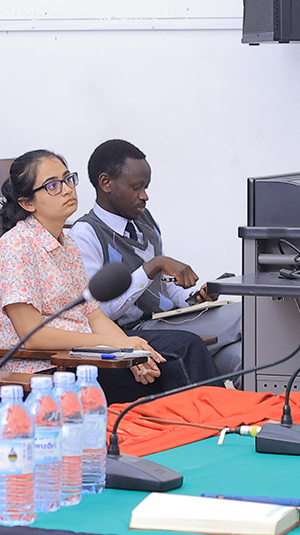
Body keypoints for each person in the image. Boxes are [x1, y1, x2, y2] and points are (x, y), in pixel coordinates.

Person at [0, 149, 177, 403]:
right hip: (42, 374)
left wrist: (131, 355)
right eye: (53, 185)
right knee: (175, 364)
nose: (67, 190)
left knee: (170, 357)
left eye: (67, 179)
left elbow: (94, 316)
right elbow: (32, 336)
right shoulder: (16, 247)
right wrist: (112, 345)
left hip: (84, 359)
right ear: (27, 203)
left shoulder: (68, 244)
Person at [68, 138, 242, 380]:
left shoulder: (144, 220)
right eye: (136, 187)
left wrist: (193, 300)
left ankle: (266, 404)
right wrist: (152, 267)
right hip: (134, 331)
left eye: (146, 187)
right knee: (248, 315)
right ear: (106, 183)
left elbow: (163, 288)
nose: (145, 196)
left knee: (245, 354)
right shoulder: (86, 233)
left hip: (168, 321)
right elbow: (99, 311)